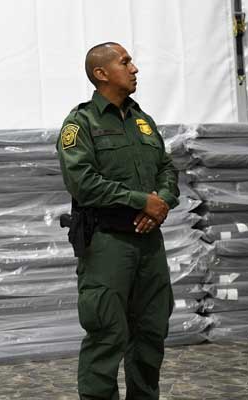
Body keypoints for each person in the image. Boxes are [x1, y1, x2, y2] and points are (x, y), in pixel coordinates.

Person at [56, 42, 179, 400]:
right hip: (107, 244)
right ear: (101, 73)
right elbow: (82, 182)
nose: (135, 68)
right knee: (107, 334)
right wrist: (142, 201)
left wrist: (161, 204)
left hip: (148, 243)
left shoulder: (143, 121)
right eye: (126, 62)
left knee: (151, 332)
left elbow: (167, 170)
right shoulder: (81, 124)